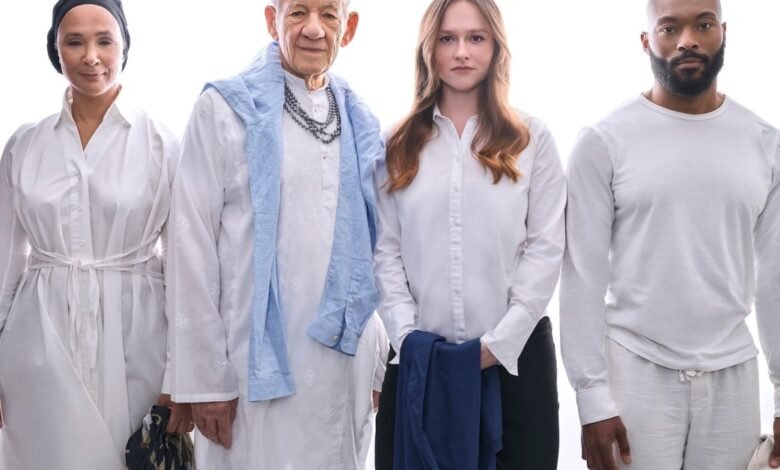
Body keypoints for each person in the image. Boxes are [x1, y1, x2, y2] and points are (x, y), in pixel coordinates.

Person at [166, 0, 387, 468]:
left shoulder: (362, 120)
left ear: (348, 28)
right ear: (272, 20)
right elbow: (190, 246)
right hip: (250, 369)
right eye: (297, 12)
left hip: (342, 369)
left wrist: (379, 360)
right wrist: (207, 381)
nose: (313, 28)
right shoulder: (223, 109)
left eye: (329, 14)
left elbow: (379, 250)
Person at [560, 0, 780, 468]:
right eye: (669, 28)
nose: (687, 40)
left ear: (724, 32)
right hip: (635, 369)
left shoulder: (765, 144)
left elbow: (775, 279)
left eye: (703, 25)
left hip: (733, 375)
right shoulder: (603, 141)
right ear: (647, 41)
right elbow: (582, 275)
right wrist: (592, 396)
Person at [373, 0, 565, 468]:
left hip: (517, 367)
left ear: (496, 48)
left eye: (476, 38)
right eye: (447, 39)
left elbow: (545, 249)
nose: (462, 52)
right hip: (421, 367)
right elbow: (384, 254)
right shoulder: (393, 145)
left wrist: (497, 345)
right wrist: (411, 339)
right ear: (429, 50)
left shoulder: (532, 140)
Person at [0, 1, 190, 468]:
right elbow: (5, 264)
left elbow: (186, 266)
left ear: (125, 47)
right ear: (55, 51)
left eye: (105, 40)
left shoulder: (163, 144)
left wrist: (183, 374)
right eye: (74, 41)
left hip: (139, 338)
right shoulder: (25, 146)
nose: (91, 56)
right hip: (38, 342)